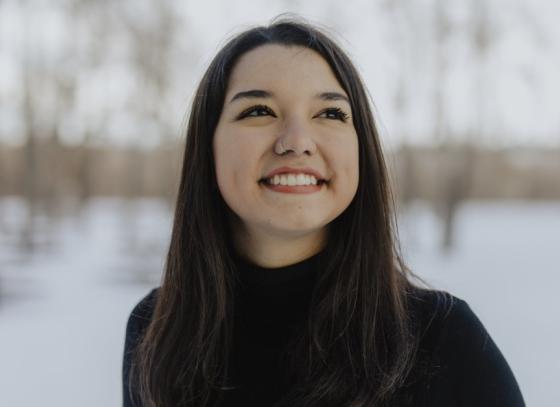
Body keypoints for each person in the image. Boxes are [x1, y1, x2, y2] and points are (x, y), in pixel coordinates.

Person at [122, 17, 525, 407]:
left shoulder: (443, 338)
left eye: (330, 113)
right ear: (207, 147)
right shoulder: (158, 329)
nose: (296, 142)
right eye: (258, 111)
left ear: (360, 148)